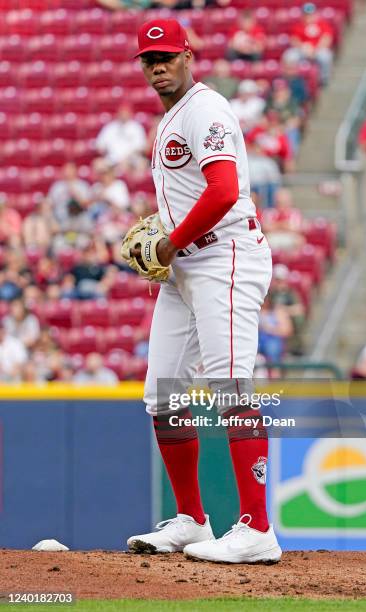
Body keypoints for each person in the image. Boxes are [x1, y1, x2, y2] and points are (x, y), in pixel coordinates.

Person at [126, 18, 281, 564]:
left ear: (188, 55)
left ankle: (258, 528)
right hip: (187, 268)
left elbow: (224, 190)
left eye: (166, 55)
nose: (158, 65)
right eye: (149, 59)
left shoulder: (206, 110)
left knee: (231, 388)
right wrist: (172, 247)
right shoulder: (174, 116)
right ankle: (193, 519)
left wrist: (170, 243)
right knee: (162, 395)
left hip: (225, 255)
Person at [290, 2, 334, 85]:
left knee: (325, 56)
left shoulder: (322, 24)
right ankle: (293, 79)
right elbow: (294, 40)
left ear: (315, 14)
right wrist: (303, 47)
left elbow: (327, 38)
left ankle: (323, 79)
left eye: (310, 14)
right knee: (290, 56)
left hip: (318, 49)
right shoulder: (298, 25)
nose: (308, 16)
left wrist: (316, 49)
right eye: (306, 14)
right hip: (303, 49)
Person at [95, 104, 147, 172]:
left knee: (142, 163)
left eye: (125, 113)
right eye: (122, 113)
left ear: (130, 114)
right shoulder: (110, 127)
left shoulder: (136, 127)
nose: (123, 116)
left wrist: (126, 159)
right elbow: (99, 145)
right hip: (112, 159)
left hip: (131, 159)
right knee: (97, 164)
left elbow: (141, 147)